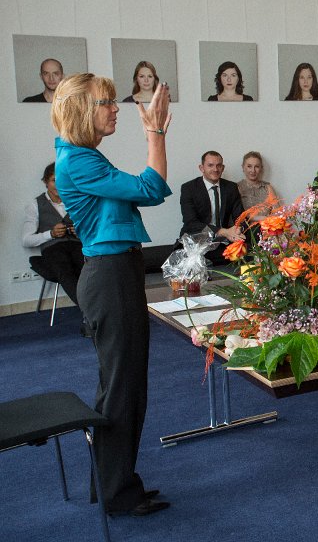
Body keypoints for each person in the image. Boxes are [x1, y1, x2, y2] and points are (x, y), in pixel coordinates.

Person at [52, 73, 173, 516]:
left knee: (122, 385)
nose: (115, 108)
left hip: (114, 273)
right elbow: (150, 189)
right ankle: (116, 493)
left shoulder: (82, 155)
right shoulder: (78, 161)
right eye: (106, 101)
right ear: (82, 110)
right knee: (123, 388)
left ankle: (112, 485)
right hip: (110, 277)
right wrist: (155, 133)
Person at [22, 162, 87, 334]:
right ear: (45, 182)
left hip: (77, 246)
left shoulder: (76, 202)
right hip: (53, 248)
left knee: (89, 270)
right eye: (54, 180)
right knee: (65, 271)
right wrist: (50, 234)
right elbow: (26, 240)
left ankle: (98, 311)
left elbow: (93, 231)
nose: (58, 185)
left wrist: (80, 232)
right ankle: (90, 313)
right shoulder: (35, 205)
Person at [179, 151, 245, 258]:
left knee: (250, 247)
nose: (215, 169)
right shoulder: (189, 188)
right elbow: (190, 222)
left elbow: (240, 216)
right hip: (196, 238)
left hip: (225, 239)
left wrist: (237, 230)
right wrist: (222, 231)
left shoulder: (231, 187)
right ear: (201, 168)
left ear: (223, 168)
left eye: (219, 165)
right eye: (210, 165)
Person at [237, 151, 278, 221]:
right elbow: (237, 215)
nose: (253, 170)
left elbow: (277, 212)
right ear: (243, 167)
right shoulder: (237, 187)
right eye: (249, 166)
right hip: (245, 227)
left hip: (267, 226)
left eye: (257, 166)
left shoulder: (267, 188)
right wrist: (262, 218)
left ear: (261, 168)